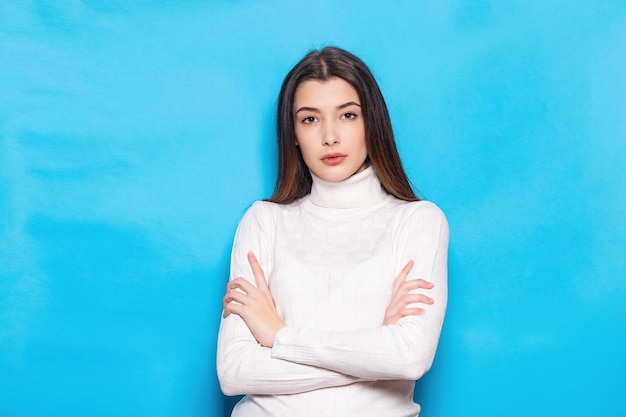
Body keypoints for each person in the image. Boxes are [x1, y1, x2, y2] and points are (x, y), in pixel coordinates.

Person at [216, 46, 448, 417]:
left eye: (348, 115)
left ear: (371, 122)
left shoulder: (418, 220)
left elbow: (408, 358)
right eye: (309, 120)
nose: (330, 136)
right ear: (292, 133)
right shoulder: (264, 220)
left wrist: (279, 336)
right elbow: (234, 372)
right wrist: (372, 357)